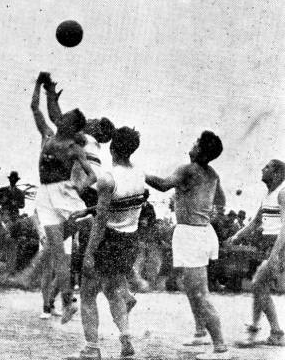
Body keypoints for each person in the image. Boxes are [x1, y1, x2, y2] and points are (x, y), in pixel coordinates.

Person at [146, 131, 232, 360]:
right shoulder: (213, 174)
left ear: (200, 150)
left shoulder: (187, 169)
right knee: (191, 285)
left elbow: (163, 185)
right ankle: (200, 331)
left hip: (191, 234)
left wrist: (139, 174)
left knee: (200, 293)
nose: (192, 145)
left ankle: (220, 347)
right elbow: (221, 202)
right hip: (201, 232)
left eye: (196, 143)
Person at [31, 72, 96, 323]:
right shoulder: (48, 135)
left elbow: (91, 176)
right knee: (58, 253)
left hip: (64, 192)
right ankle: (67, 304)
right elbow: (35, 108)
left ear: (71, 126)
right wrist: (40, 85)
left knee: (71, 239)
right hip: (45, 195)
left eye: (66, 117)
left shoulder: (74, 147)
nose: (61, 116)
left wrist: (78, 187)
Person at [78, 127, 146, 360]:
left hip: (109, 239)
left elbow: (101, 221)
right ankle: (126, 337)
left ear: (112, 147)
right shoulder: (139, 174)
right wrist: (86, 210)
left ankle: (91, 348)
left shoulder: (107, 179)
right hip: (129, 240)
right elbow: (119, 206)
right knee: (115, 291)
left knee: (87, 293)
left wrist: (88, 254)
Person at [232, 159, 285, 347]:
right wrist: (236, 236)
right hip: (268, 245)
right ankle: (272, 331)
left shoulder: (282, 192)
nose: (263, 169)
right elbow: (255, 222)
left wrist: (275, 254)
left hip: (279, 246)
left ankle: (265, 330)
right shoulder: (267, 195)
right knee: (259, 286)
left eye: (268, 167)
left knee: (258, 283)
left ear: (278, 173)